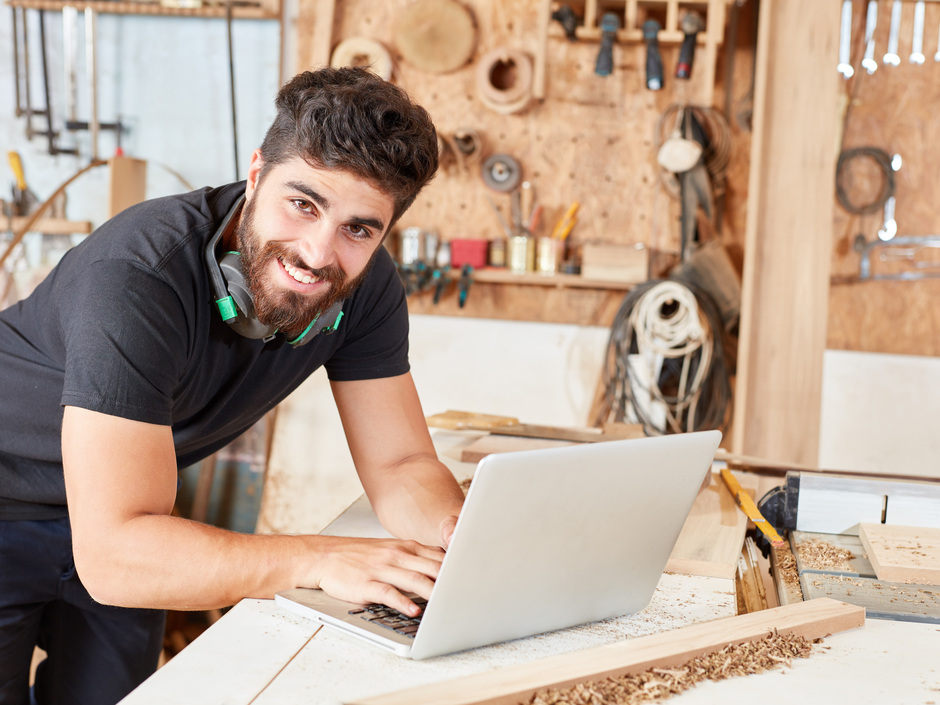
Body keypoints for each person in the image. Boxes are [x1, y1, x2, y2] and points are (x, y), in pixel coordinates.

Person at [0, 67, 466, 705]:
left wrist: (462, 541)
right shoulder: (138, 276)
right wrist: (317, 559)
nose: (317, 253)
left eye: (360, 228)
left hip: (129, 516)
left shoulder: (365, 286)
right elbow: (113, 555)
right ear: (255, 174)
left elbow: (402, 461)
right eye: (302, 204)